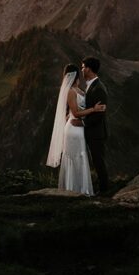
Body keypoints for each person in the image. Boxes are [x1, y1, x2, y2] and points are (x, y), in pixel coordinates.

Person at [46, 63, 105, 194]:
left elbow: (73, 112)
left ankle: (80, 189)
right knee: (74, 157)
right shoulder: (71, 92)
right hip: (73, 130)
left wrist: (70, 115)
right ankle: (73, 189)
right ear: (76, 76)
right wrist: (93, 109)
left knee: (80, 157)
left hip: (78, 129)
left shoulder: (78, 90)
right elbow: (76, 112)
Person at [80, 56, 110, 193]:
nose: (81, 70)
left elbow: (99, 114)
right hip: (92, 131)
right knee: (97, 162)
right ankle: (102, 188)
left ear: (89, 69)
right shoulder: (91, 85)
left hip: (96, 132)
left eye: (83, 67)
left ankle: (105, 191)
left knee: (99, 162)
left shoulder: (99, 88)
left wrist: (82, 123)